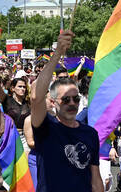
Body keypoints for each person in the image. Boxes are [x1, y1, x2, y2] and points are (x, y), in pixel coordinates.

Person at [31, 30, 104, 192]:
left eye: (75, 99)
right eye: (65, 99)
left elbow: (95, 178)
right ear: (52, 101)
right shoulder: (46, 128)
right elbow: (36, 95)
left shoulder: (90, 134)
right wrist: (57, 53)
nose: (72, 103)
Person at [0, 64, 31, 151]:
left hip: (25, 137)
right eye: (20, 86)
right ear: (13, 88)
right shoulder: (6, 100)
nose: (22, 89)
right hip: (10, 136)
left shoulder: (28, 103)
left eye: (24, 87)